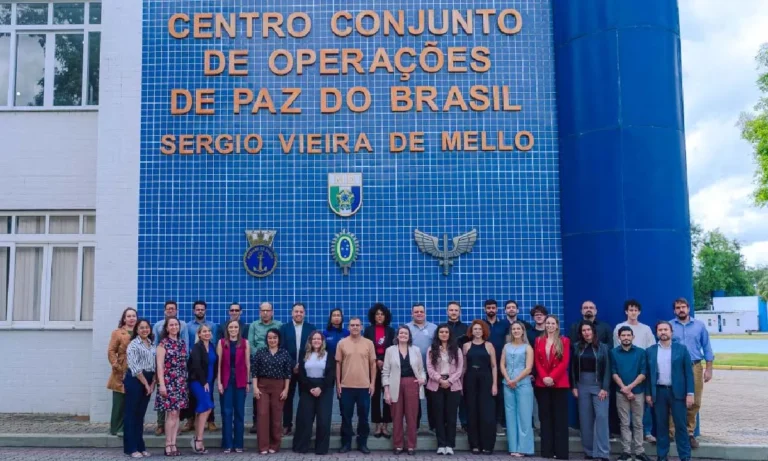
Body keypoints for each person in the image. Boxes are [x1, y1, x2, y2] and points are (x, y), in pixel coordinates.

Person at [646, 321, 694, 461]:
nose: (663, 332)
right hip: (659, 393)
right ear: (657, 333)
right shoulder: (651, 351)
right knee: (661, 426)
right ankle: (662, 456)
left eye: (666, 329)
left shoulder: (681, 349)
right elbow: (648, 375)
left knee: (680, 426)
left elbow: (688, 373)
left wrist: (690, 393)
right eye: (660, 330)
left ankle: (685, 457)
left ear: (671, 332)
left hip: (678, 393)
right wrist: (649, 393)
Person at [670, 297, 714, 449]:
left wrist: (709, 368)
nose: (681, 310)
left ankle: (689, 433)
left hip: (694, 366)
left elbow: (707, 347)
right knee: (673, 399)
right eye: (678, 307)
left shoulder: (699, 326)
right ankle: (672, 433)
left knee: (694, 401)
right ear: (674, 310)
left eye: (683, 307)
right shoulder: (669, 326)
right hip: (674, 368)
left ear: (688, 308)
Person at [612, 299, 656, 443]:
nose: (633, 312)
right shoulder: (619, 327)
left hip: (642, 371)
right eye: (630, 310)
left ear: (639, 312)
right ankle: (626, 438)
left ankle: (647, 432)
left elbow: (651, 349)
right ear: (626, 312)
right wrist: (626, 387)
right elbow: (616, 352)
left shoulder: (646, 329)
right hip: (624, 373)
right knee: (624, 414)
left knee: (644, 403)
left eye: (635, 310)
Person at [336, 316, 377, 454]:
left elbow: (373, 364)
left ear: (361, 327)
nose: (354, 327)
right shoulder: (342, 343)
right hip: (346, 386)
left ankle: (362, 443)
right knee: (346, 417)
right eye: (352, 325)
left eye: (357, 325)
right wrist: (338, 383)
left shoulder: (369, 343)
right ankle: (346, 443)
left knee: (364, 417)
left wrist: (372, 383)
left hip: (364, 387)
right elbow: (338, 364)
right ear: (348, 327)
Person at [383, 325, 426, 455]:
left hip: (412, 383)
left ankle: (411, 445)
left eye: (405, 334)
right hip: (395, 384)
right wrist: (386, 390)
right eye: (401, 333)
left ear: (409, 336)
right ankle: (398, 445)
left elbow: (421, 370)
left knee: (411, 416)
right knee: (396, 416)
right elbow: (385, 372)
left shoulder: (416, 350)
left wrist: (422, 379)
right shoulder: (390, 350)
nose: (403, 335)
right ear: (397, 335)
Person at [571, 321, 611, 461]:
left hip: (598, 385)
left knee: (601, 417)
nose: (586, 332)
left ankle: (602, 452)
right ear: (581, 333)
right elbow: (572, 368)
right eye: (584, 330)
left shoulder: (603, 347)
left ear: (593, 331)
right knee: (585, 419)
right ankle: (589, 452)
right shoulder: (576, 347)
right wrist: (574, 386)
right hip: (582, 385)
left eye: (588, 329)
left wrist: (605, 388)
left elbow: (607, 369)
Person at [292, 331, 336, 455]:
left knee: (323, 420)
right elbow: (301, 373)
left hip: (324, 389)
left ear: (322, 341)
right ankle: (301, 446)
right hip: (307, 389)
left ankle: (321, 449)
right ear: (310, 341)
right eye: (314, 339)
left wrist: (320, 388)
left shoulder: (328, 355)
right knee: (305, 419)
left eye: (319, 339)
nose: (316, 341)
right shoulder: (304, 354)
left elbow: (331, 374)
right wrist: (310, 388)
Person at [611, 326, 651, 461]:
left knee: (638, 423)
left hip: (638, 392)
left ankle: (639, 452)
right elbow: (614, 372)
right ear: (619, 337)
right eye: (623, 335)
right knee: (624, 423)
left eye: (629, 335)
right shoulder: (614, 352)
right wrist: (624, 388)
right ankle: (626, 452)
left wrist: (630, 388)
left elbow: (643, 373)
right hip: (620, 393)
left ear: (633, 337)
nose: (626, 338)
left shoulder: (641, 352)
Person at [534, 315, 570, 460]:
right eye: (547, 323)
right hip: (542, 384)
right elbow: (537, 361)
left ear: (557, 325)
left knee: (560, 418)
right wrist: (544, 377)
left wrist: (552, 377)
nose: (549, 325)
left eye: (552, 323)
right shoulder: (538, 340)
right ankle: (547, 451)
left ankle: (561, 452)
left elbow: (564, 361)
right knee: (545, 418)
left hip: (559, 384)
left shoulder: (564, 340)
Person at [251, 328, 293, 454]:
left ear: (279, 339)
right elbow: (254, 371)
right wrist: (255, 388)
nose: (272, 340)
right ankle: (263, 446)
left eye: (275, 337)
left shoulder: (284, 353)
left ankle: (274, 445)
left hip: (278, 386)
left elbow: (288, 374)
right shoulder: (260, 352)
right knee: (263, 415)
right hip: (262, 386)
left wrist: (286, 390)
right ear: (266, 339)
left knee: (276, 416)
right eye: (270, 338)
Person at [426, 323, 463, 455]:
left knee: (451, 416)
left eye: (446, 332)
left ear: (450, 334)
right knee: (439, 416)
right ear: (438, 334)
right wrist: (440, 380)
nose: (444, 334)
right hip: (436, 386)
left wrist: (449, 381)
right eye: (441, 332)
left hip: (453, 386)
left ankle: (450, 444)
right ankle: (441, 444)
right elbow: (429, 368)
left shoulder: (456, 350)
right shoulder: (432, 349)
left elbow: (460, 369)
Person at [279, 302, 316, 436]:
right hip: (288, 369)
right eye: (296, 311)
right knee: (287, 397)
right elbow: (281, 348)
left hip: (306, 369)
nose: (298, 314)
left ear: (304, 313)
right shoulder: (284, 328)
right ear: (292, 313)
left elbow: (313, 348)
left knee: (306, 398)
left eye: (301, 312)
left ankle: (305, 426)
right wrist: (293, 364)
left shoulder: (311, 328)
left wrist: (301, 364)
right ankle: (287, 425)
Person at [152, 301, 188, 436]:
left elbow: (185, 355)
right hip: (168, 379)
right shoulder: (161, 339)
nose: (174, 327)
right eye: (168, 309)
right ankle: (164, 433)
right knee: (169, 411)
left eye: (173, 308)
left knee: (175, 412)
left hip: (180, 380)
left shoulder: (182, 341)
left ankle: (173, 441)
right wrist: (160, 382)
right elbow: (158, 358)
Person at [463, 319, 498, 455]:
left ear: (484, 331)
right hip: (470, 380)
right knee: (472, 412)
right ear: (471, 331)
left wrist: (494, 384)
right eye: (475, 329)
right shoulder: (466, 346)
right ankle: (475, 445)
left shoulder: (489, 346)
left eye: (480, 329)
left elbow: (494, 366)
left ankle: (487, 445)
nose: (477, 331)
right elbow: (464, 367)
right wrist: (460, 384)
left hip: (486, 380)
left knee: (487, 414)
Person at [500, 321, 535, 457]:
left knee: (524, 416)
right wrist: (508, 379)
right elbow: (502, 364)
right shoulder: (506, 347)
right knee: (510, 416)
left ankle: (524, 448)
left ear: (522, 331)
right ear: (511, 331)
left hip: (523, 384)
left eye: (518, 329)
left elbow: (528, 368)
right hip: (507, 384)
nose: (516, 331)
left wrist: (515, 380)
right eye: (513, 329)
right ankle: (513, 447)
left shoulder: (527, 347)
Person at [247, 301, 282, 433]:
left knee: (275, 398)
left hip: (275, 363)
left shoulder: (278, 325)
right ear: (259, 312)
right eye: (263, 310)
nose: (265, 313)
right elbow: (250, 344)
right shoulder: (254, 325)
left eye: (268, 310)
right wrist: (263, 355)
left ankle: (274, 425)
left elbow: (281, 343)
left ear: (272, 312)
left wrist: (271, 356)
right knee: (258, 395)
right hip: (259, 363)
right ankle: (257, 423)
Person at [123, 319, 156, 458]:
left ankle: (140, 446)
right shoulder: (133, 345)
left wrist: (153, 382)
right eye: (141, 328)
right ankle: (131, 448)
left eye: (147, 327)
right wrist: (146, 384)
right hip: (136, 380)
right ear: (137, 330)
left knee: (140, 415)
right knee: (131, 414)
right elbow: (135, 368)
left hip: (149, 380)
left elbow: (155, 365)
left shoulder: (152, 344)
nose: (144, 330)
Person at [217, 319, 251, 454]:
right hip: (226, 381)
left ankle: (238, 444)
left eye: (235, 327)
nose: (233, 329)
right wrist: (219, 382)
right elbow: (218, 365)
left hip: (240, 380)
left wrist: (248, 382)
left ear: (239, 329)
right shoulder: (221, 343)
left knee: (239, 413)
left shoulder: (244, 343)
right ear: (227, 329)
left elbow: (248, 364)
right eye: (231, 327)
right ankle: (227, 444)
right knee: (226, 412)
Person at [185, 300, 218, 433]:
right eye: (197, 309)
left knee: (209, 396)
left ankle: (210, 421)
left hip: (209, 368)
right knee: (195, 397)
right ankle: (192, 420)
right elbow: (187, 344)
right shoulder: (188, 326)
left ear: (205, 310)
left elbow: (213, 344)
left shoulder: (212, 325)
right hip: (196, 369)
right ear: (194, 311)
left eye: (202, 309)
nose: (200, 311)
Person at [364, 303, 395, 438]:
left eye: (382, 314)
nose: (379, 316)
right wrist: (376, 361)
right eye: (377, 314)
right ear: (373, 316)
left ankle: (386, 425)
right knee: (375, 396)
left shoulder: (391, 331)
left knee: (388, 397)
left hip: (388, 367)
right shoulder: (368, 330)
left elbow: (393, 348)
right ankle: (377, 425)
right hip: (373, 366)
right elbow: (367, 349)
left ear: (386, 316)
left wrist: (384, 361)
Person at [407, 303, 437, 432]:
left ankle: (434, 426)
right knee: (415, 401)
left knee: (433, 400)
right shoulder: (406, 328)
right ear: (412, 313)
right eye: (416, 312)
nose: (419, 314)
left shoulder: (433, 328)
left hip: (431, 371)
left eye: (421, 311)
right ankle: (415, 426)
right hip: (414, 372)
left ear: (425, 313)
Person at [107, 307, 137, 437]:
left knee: (132, 401)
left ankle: (128, 427)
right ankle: (116, 428)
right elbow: (111, 351)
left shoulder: (139, 331)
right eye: (129, 316)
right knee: (119, 401)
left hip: (136, 369)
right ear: (124, 319)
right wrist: (115, 364)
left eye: (134, 316)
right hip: (121, 368)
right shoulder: (118, 333)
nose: (131, 318)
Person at [188, 324, 217, 454]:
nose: (207, 333)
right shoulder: (196, 347)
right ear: (199, 334)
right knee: (207, 407)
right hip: (198, 382)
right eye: (204, 331)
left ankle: (197, 438)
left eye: (209, 331)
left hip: (209, 382)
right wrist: (204, 381)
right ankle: (198, 440)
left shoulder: (211, 346)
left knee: (204, 408)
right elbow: (196, 365)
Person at [482, 299, 510, 436]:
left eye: (493, 307)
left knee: (500, 395)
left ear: (497, 309)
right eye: (488, 308)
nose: (491, 310)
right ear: (485, 309)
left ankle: (499, 423)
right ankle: (487, 422)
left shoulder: (504, 324)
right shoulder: (481, 325)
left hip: (502, 364)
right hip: (484, 366)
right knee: (486, 395)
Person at [444, 301, 469, 433]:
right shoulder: (442, 328)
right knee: (447, 399)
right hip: (445, 368)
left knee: (463, 396)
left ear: (459, 312)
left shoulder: (466, 328)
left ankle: (465, 423)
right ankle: (447, 424)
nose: (453, 312)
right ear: (447, 312)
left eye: (456, 310)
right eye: (451, 310)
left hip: (462, 367)